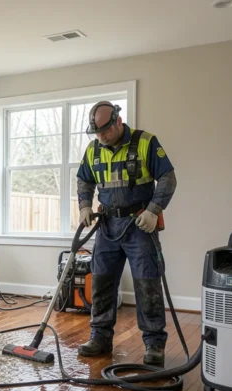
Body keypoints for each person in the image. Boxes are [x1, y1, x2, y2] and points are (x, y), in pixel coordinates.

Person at [76, 101, 177, 366]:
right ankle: (100, 337)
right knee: (102, 282)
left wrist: (153, 211)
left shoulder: (145, 142)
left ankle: (154, 343)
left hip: (139, 226)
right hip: (107, 225)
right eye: (96, 132)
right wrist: (85, 206)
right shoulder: (94, 149)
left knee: (147, 284)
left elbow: (167, 177)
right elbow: (84, 179)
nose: (101, 137)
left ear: (118, 121)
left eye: (106, 131)